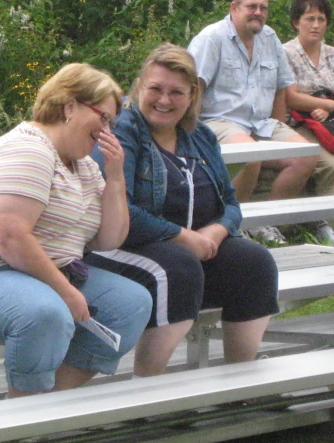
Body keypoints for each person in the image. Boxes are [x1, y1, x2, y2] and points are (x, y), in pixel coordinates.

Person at [0, 63, 152, 397]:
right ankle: (18, 417)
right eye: (103, 117)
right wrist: (66, 292)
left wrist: (115, 177)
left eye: (112, 122)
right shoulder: (30, 149)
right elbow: (10, 237)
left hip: (38, 272)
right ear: (70, 106)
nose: (108, 130)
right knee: (46, 313)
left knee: (131, 303)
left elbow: (109, 239)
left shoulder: (82, 165)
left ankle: (36, 407)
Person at [88, 44, 279, 377]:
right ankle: (148, 391)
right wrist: (181, 237)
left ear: (192, 96)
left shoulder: (200, 136)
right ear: (139, 88)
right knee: (179, 267)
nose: (164, 100)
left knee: (255, 262)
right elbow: (121, 213)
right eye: (156, 89)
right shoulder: (122, 132)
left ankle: (241, 384)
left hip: (188, 250)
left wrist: (216, 231)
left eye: (176, 92)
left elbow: (231, 203)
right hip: (117, 247)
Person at [187, 0, 318, 244]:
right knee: (250, 155)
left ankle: (267, 223)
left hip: (261, 123)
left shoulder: (270, 38)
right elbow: (194, 89)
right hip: (218, 121)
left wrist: (278, 128)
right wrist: (190, 138)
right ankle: (232, 224)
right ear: (234, 7)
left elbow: (281, 88)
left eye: (263, 8)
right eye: (252, 6)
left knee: (307, 156)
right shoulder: (212, 38)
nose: (258, 12)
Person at [283, 0, 334, 242]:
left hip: (330, 121)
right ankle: (326, 224)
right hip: (298, 123)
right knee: (329, 165)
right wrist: (324, 105)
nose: (315, 25)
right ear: (296, 22)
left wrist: (327, 108)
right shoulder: (286, 53)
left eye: (321, 19)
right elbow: (290, 97)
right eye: (309, 19)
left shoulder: (332, 54)